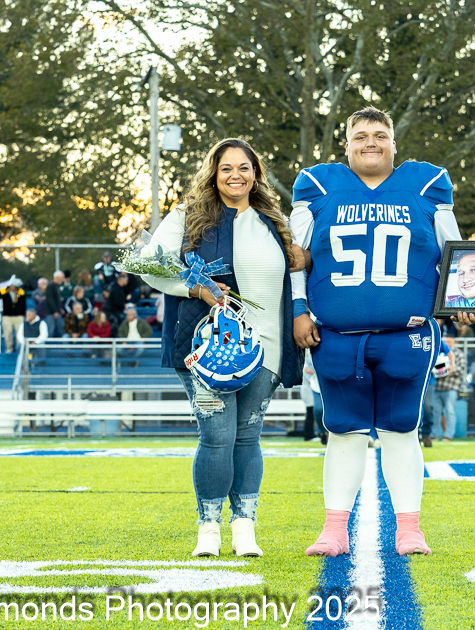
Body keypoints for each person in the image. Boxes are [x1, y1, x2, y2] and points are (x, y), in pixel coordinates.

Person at [290, 106, 467, 557]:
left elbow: (455, 249)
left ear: (393, 142)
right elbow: (294, 257)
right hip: (335, 334)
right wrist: (298, 310)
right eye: (361, 136)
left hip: (406, 334)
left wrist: (466, 297)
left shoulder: (426, 184)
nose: (371, 142)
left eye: (380, 135)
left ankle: (409, 529)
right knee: (343, 430)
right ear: (346, 145)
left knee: (401, 428)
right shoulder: (318, 185)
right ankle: (334, 529)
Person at [145, 137, 303, 558]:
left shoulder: (274, 220)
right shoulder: (188, 215)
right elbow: (148, 265)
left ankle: (244, 527)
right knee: (216, 436)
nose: (236, 175)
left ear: (256, 173)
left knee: (248, 437)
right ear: (213, 173)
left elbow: (296, 270)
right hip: (208, 346)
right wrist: (195, 287)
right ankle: (209, 528)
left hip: (267, 346)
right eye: (226, 168)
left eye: (244, 167)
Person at [427, 335, 465, 442]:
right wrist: (437, 371)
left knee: (450, 412)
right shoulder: (438, 352)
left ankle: (448, 435)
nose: (447, 343)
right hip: (437, 387)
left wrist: (448, 370)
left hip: (451, 387)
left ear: (454, 342)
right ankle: (433, 435)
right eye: (445, 341)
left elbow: (461, 369)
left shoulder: (458, 354)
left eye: (449, 341)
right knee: (435, 413)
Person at [0, 277, 27, 353]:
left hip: (18, 315)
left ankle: (19, 348)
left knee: (19, 332)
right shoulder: (3, 291)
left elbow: (24, 304)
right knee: (7, 332)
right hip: (7, 316)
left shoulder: (21, 292)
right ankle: (9, 348)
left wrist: (23, 314)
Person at [45, 270, 66, 338]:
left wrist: (59, 309)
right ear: (57, 277)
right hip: (51, 312)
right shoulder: (51, 286)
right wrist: (55, 311)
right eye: (62, 277)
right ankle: (48, 344)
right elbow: (50, 300)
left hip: (57, 311)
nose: (62, 279)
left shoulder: (57, 286)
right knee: (51, 330)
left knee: (60, 329)